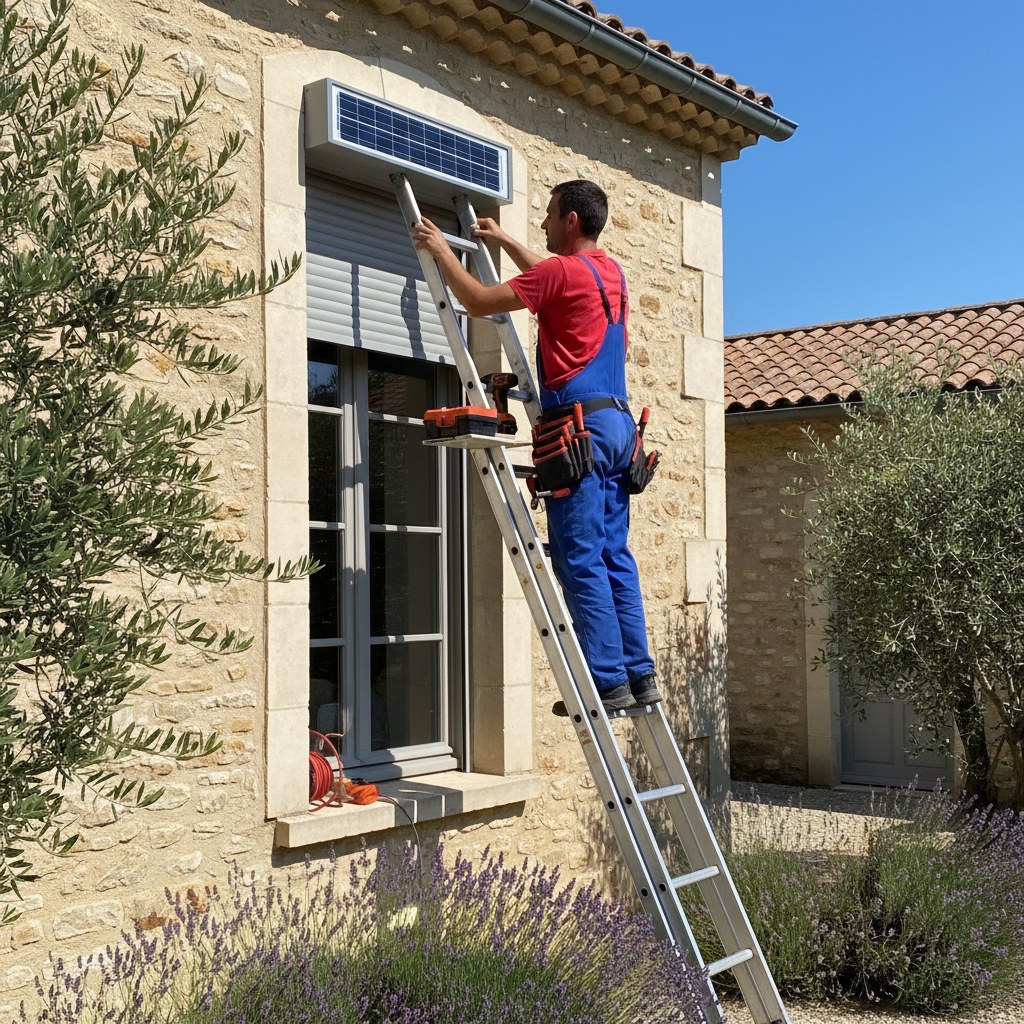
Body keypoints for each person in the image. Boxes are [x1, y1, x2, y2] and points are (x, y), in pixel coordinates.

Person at [412, 180, 660, 714]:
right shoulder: (608, 272)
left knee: (579, 558)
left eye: (549, 215)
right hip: (619, 430)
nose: (543, 224)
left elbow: (478, 302)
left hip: (580, 430)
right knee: (615, 555)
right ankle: (639, 676)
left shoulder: (559, 274)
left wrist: (440, 251)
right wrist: (504, 241)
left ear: (571, 220)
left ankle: (607, 681)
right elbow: (551, 278)